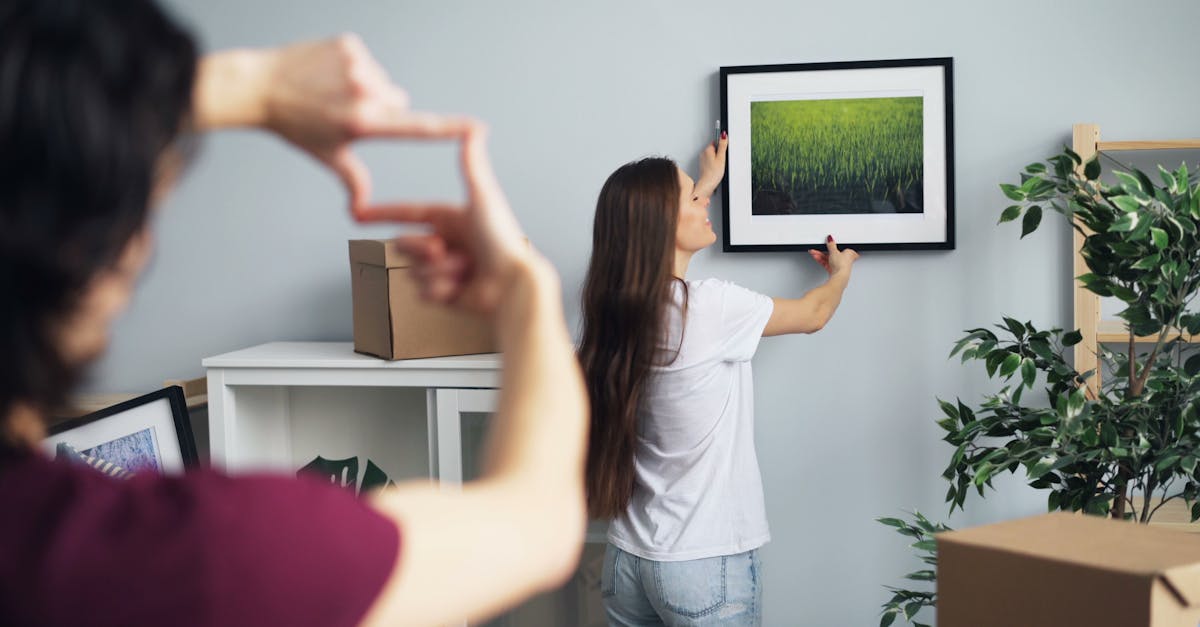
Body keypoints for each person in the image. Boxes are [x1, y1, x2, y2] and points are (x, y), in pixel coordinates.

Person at [0, 1, 588, 626]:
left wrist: (247, 89)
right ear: (95, 260)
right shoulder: (190, 559)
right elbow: (538, 521)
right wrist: (526, 289)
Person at [578, 135, 860, 626]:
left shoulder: (612, 314)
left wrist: (704, 182)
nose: (703, 202)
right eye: (693, 198)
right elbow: (814, 313)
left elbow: (666, 267)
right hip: (703, 564)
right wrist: (841, 272)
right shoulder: (710, 308)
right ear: (662, 223)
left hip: (628, 560)